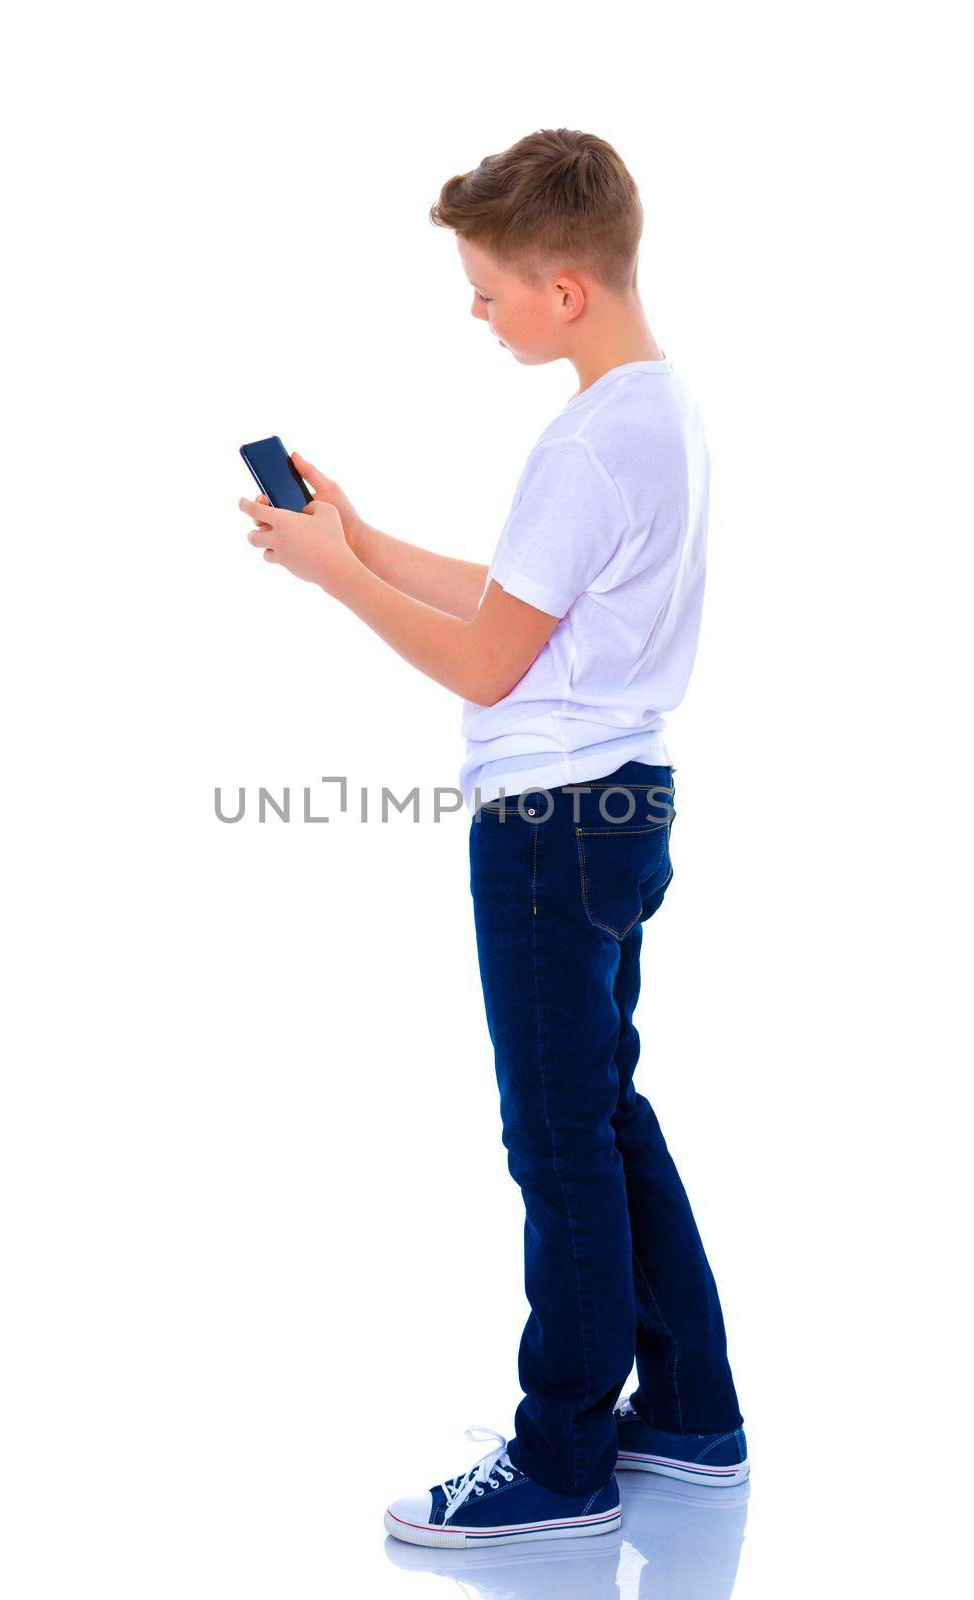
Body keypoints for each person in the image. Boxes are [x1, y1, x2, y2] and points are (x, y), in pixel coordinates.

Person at [238, 127, 747, 1551]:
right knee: (605, 1112)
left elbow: (486, 667)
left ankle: (564, 1460)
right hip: (620, 804)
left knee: (559, 1144)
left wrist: (334, 582)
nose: (479, 314)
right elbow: (525, 605)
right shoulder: (660, 412)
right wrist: (367, 538)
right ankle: (692, 1412)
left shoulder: (592, 438)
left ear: (565, 288)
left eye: (490, 291)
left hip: (549, 828)